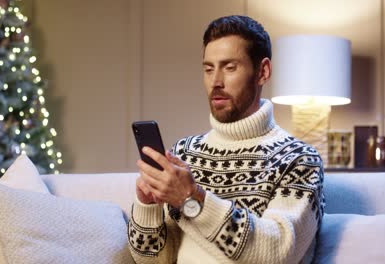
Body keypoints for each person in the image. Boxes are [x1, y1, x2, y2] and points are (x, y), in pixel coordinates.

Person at [128, 15, 325, 264]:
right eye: (208, 69)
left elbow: (276, 253)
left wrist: (193, 199)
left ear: (263, 71)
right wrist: (147, 206)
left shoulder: (299, 160)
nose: (216, 82)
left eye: (229, 67)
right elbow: (153, 261)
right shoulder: (184, 154)